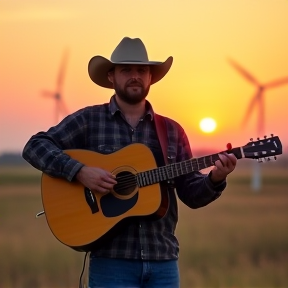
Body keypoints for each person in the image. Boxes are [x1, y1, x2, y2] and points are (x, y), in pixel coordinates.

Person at [22, 37, 237, 288]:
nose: (135, 76)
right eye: (127, 70)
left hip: (163, 260)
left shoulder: (171, 131)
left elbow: (191, 193)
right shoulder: (89, 120)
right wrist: (79, 171)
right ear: (112, 76)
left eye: (141, 70)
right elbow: (35, 146)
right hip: (111, 263)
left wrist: (215, 178)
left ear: (150, 78)